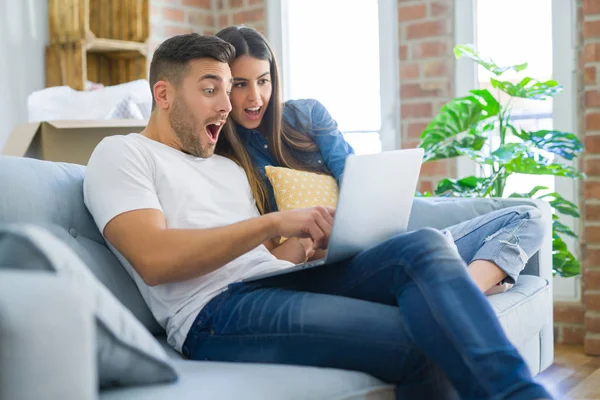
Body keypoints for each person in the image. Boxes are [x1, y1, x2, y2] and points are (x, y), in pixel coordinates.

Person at [83, 33, 552, 399]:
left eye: (228, 89)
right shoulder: (122, 155)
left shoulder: (225, 168)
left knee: (422, 244)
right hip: (212, 314)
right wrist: (273, 222)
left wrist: (313, 240)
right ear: (162, 94)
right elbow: (155, 259)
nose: (228, 104)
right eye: (211, 90)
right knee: (422, 341)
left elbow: (271, 260)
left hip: (272, 283)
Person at [215, 25, 545, 296]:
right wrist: (307, 243)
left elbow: (355, 180)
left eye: (263, 81)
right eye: (240, 85)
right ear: (222, 86)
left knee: (529, 216)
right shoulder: (226, 159)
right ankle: (450, 286)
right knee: (430, 247)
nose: (255, 97)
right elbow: (267, 256)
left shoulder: (307, 116)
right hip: (328, 266)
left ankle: (463, 292)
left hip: (374, 243)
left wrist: (358, 227)